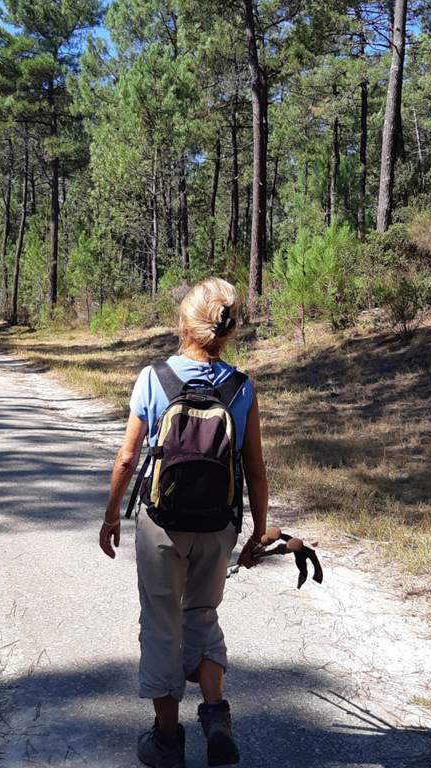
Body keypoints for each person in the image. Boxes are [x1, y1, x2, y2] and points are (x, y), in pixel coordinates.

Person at [99, 277, 269, 768]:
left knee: (160, 624)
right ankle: (215, 714)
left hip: (161, 523)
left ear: (183, 323)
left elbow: (128, 459)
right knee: (203, 615)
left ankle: (168, 740)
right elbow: (255, 467)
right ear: (228, 330)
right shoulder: (241, 387)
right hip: (218, 524)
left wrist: (112, 516)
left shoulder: (154, 378)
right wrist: (259, 531)